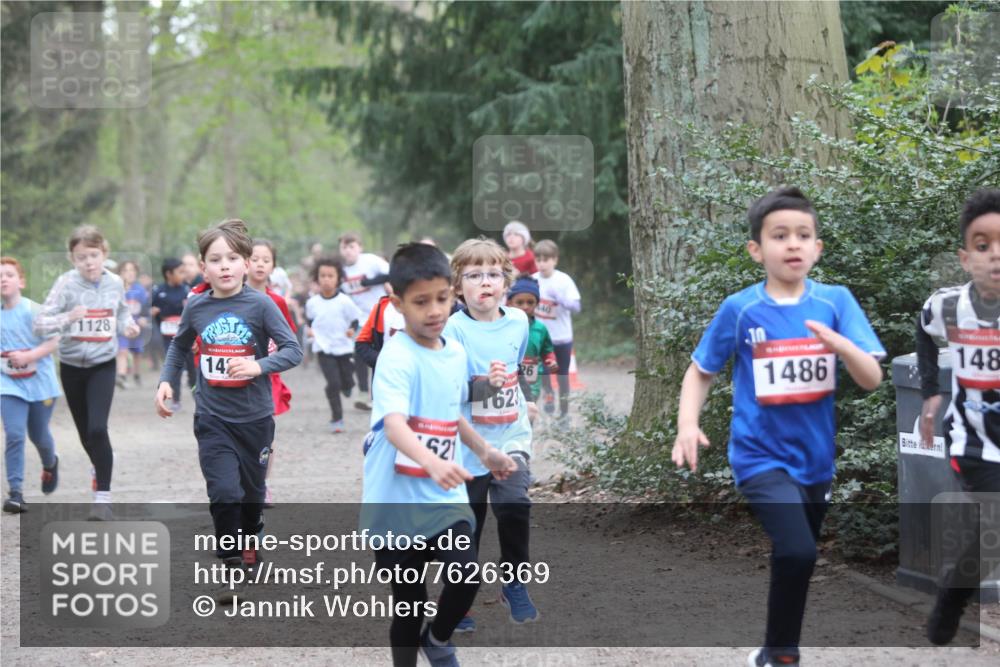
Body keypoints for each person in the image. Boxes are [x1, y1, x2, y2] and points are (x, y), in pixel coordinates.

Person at [671, 187, 885, 667]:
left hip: (816, 461)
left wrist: (840, 345)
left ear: (817, 248)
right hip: (758, 457)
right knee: (798, 549)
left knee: (798, 557)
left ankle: (772, 650)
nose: (793, 244)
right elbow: (701, 370)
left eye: (803, 235)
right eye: (780, 235)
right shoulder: (741, 309)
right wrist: (687, 424)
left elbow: (871, 378)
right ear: (756, 249)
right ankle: (785, 656)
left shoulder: (835, 302)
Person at [361, 242, 516, 667]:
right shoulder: (396, 356)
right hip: (396, 500)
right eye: (421, 302)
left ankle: (438, 639)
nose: (434, 311)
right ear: (397, 304)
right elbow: (395, 424)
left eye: (442, 299)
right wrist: (430, 461)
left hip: (442, 496)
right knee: (409, 603)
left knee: (466, 576)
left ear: (453, 294)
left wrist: (485, 451)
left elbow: (450, 412)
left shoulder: (454, 352)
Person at [155, 219, 302, 604]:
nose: (224, 266)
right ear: (203, 267)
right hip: (212, 417)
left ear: (246, 263)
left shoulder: (261, 305)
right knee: (223, 492)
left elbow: (293, 350)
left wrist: (257, 366)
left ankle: (252, 537)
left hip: (255, 418)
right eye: (216, 259)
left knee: (251, 495)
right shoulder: (197, 305)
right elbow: (179, 346)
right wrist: (166, 380)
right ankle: (232, 567)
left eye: (232, 258)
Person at [443, 238, 538, 632]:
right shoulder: (453, 329)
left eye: (494, 275)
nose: (485, 282)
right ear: (457, 287)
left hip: (511, 434)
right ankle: (458, 599)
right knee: (467, 524)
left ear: (506, 283)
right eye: (474, 275)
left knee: (515, 504)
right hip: (467, 445)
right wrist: (486, 386)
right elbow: (448, 392)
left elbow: (516, 368)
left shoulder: (518, 321)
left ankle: (514, 582)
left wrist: (526, 397)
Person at [918, 188, 1000, 646]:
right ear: (965, 258)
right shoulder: (948, 306)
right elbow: (923, 328)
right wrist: (931, 392)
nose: (995, 256)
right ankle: (952, 598)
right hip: (974, 443)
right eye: (983, 245)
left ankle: (955, 587)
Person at [35, 225, 141, 520]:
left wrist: (128, 326)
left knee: (97, 428)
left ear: (104, 254)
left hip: (103, 364)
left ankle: (102, 499)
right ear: (72, 259)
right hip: (71, 367)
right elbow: (40, 323)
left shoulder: (115, 282)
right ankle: (100, 462)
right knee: (86, 434)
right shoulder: (65, 284)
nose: (89, 262)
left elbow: (122, 312)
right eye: (81, 257)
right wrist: (68, 317)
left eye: (93, 255)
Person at [1, 257, 61, 513]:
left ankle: (50, 463)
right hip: (8, 384)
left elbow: (55, 340)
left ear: (21, 282)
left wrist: (28, 356)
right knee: (15, 434)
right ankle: (16, 493)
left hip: (40, 384)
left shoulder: (34, 311)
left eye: (9, 275)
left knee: (39, 436)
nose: (3, 279)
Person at [306, 256, 362, 433]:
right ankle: (337, 419)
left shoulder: (344, 301)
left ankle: (348, 385)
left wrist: (352, 330)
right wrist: (310, 330)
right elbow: (310, 320)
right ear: (317, 278)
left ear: (338, 278)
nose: (326, 280)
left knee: (346, 380)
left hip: (343, 347)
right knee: (333, 383)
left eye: (330, 276)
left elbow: (355, 319)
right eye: (322, 276)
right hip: (323, 348)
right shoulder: (312, 303)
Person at [339, 232, 390, 410]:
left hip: (381, 315)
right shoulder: (341, 271)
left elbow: (392, 274)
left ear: (360, 247)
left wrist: (371, 281)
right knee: (359, 353)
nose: (348, 251)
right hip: (359, 319)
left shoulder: (371, 261)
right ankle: (362, 392)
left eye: (351, 246)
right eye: (344, 247)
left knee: (382, 354)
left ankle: (380, 395)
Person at [533, 239, 581, 421]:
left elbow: (577, 307)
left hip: (562, 337)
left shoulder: (563, 280)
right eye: (538, 260)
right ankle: (548, 394)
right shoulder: (533, 280)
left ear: (555, 260)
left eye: (546, 260)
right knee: (543, 371)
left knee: (562, 376)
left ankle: (564, 414)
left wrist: (561, 299)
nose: (542, 264)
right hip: (542, 338)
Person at [506, 276, 558, 414]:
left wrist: (551, 360)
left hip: (532, 383)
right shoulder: (503, 327)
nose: (525, 306)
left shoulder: (541, 328)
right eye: (520, 302)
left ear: (537, 303)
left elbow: (547, 350)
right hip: (509, 381)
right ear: (509, 303)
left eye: (530, 302)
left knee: (528, 412)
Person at [151, 258, 194, 412]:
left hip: (187, 336)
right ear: (168, 274)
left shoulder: (187, 290)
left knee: (193, 368)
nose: (183, 275)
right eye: (180, 272)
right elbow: (150, 311)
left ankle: (197, 396)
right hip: (167, 337)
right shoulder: (158, 291)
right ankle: (175, 399)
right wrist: (153, 313)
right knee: (175, 367)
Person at [115, 260, 149, 389]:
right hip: (121, 325)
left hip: (136, 325)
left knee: (137, 351)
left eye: (132, 270)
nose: (129, 273)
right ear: (119, 273)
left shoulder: (140, 290)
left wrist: (144, 318)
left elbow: (145, 308)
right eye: (125, 270)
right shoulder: (116, 289)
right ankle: (121, 376)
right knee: (122, 350)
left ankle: (136, 374)